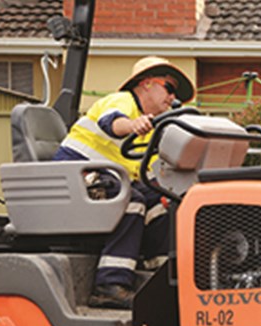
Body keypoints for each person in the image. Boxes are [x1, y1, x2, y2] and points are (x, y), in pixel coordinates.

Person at [53, 56, 194, 308]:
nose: (172, 99)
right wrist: (131, 125)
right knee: (132, 199)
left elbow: (146, 174)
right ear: (147, 83)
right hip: (74, 174)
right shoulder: (123, 101)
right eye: (169, 88)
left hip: (105, 179)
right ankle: (109, 285)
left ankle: (160, 275)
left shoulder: (150, 129)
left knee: (160, 202)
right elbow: (112, 123)